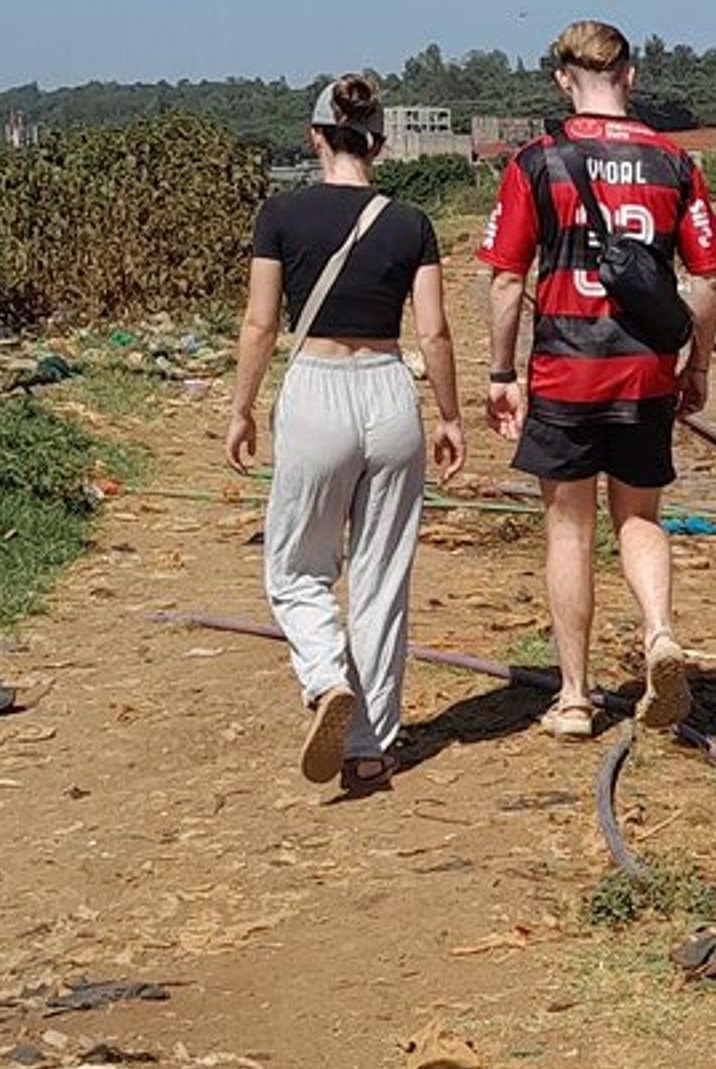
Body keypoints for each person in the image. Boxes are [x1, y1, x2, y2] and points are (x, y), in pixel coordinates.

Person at [479, 20, 716, 738]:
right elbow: (709, 279)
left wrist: (501, 372)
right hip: (644, 373)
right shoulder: (673, 161)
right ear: (631, 75)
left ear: (564, 80)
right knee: (640, 518)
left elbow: (506, 280)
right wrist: (696, 364)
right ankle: (660, 633)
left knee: (569, 531)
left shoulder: (538, 160)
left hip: (566, 369)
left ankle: (573, 698)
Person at [225, 74, 466, 792]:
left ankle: (326, 675)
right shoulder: (411, 222)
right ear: (379, 144)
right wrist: (450, 417)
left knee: (296, 568)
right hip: (390, 391)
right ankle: (369, 746)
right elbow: (435, 331)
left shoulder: (280, 214)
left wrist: (241, 408)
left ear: (315, 139)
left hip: (316, 389)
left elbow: (261, 323)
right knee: (381, 574)